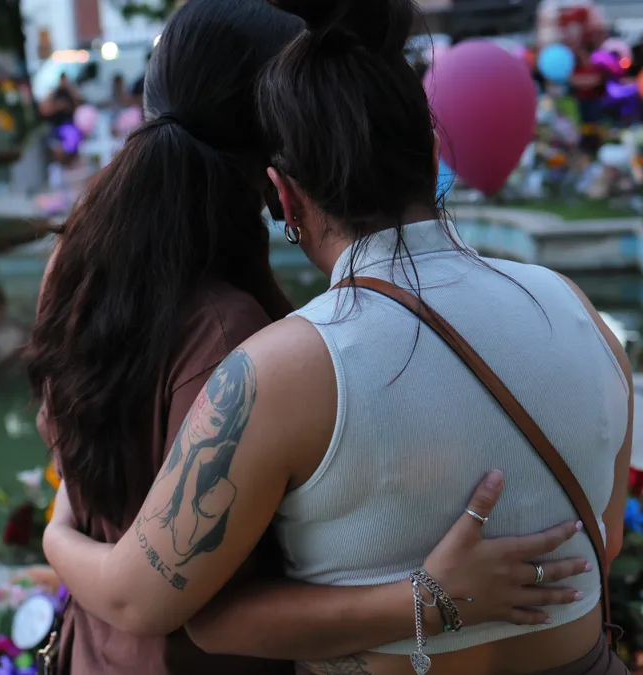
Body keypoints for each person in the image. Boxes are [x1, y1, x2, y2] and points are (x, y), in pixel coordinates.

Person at [40, 0, 631, 673]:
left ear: (283, 197)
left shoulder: (277, 368)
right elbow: (602, 543)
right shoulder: (577, 308)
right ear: (434, 154)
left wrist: (56, 532)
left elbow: (170, 608)